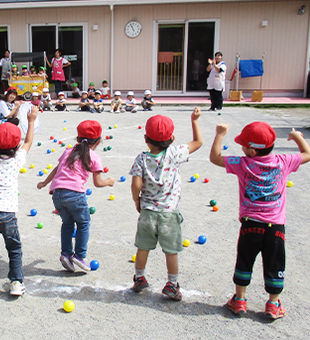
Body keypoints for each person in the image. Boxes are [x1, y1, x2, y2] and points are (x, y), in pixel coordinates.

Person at [210, 122, 310, 319]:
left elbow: (215, 158)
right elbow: (307, 155)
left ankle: (240, 300)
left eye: (243, 145)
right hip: (276, 227)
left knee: (245, 260)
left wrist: (220, 134)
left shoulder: (243, 164)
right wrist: (298, 138)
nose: (241, 148)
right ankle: (273, 303)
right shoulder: (283, 161)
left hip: (251, 225)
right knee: (275, 263)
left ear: (252, 150)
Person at [130, 110, 203, 301]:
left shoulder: (141, 158)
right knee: (171, 251)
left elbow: (136, 184)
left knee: (143, 248)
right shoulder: (174, 153)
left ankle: (139, 278)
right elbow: (198, 143)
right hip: (169, 213)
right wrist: (194, 121)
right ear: (172, 138)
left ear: (146, 139)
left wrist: (137, 200)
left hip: (147, 212)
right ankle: (172, 283)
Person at [37, 120, 115, 272]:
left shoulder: (68, 151)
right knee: (83, 223)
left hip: (57, 194)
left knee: (67, 224)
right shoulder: (94, 156)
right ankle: (79, 256)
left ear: (77, 139)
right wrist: (109, 182)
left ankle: (66, 254)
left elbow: (56, 169)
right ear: (99, 141)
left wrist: (45, 182)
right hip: (75, 195)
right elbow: (98, 183)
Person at [0, 107, 39, 296]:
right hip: (7, 214)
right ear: (15, 145)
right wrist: (31, 121)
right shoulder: (17, 160)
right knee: (14, 248)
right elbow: (28, 141)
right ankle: (16, 282)